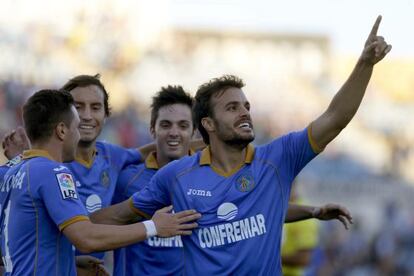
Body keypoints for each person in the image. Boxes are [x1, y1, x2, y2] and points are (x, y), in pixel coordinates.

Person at [91, 16, 390, 275]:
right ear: (208, 124)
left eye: (246, 105)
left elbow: (335, 118)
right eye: (232, 107)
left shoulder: (277, 159)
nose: (245, 112)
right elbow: (119, 215)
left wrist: (364, 64)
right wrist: (65, 223)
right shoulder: (176, 176)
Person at [0, 89, 200, 275]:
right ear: (62, 131)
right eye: (76, 127)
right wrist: (154, 226)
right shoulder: (53, 172)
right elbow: (86, 238)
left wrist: (68, 261)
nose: (79, 135)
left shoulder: (10, 172)